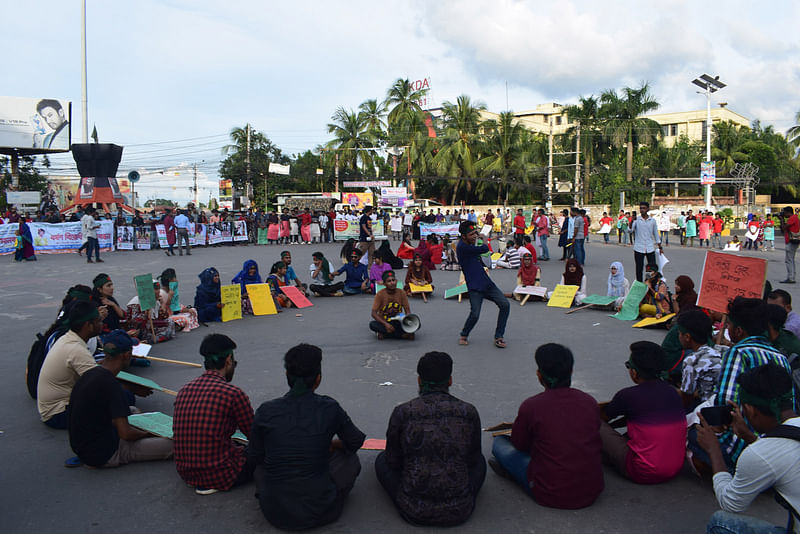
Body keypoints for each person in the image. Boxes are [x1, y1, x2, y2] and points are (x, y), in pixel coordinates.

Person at [250, 343, 365, 530]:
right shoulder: (329, 407)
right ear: (318, 378)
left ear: (287, 376)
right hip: (321, 509)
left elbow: (254, 455)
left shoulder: (266, 410)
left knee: (262, 467)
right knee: (350, 459)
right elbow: (355, 441)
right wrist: (334, 445)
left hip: (275, 511)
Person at [376, 351, 485, 525]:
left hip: (413, 509)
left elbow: (393, 461)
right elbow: (472, 459)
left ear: (419, 380)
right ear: (450, 380)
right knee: (480, 461)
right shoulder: (468, 411)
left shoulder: (403, 411)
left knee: (381, 460)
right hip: (459, 509)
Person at [490, 343, 603, 508]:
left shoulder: (532, 406)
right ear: (570, 372)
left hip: (550, 492)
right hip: (592, 489)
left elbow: (519, 444)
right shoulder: (589, 402)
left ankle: (517, 475)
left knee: (499, 443)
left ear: (539, 374)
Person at [697, 364, 800, 534]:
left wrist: (714, 450)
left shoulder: (760, 454)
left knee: (720, 522)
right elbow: (779, 455)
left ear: (751, 410)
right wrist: (750, 437)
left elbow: (730, 502)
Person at [691, 297, 793, 468]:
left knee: (693, 433)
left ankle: (722, 470)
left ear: (738, 331)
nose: (727, 328)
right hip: (778, 447)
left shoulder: (738, 352)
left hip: (742, 446)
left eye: (729, 325)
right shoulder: (781, 357)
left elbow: (725, 403)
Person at [68, 330, 173, 468]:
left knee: (133, 410)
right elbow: (126, 434)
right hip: (105, 453)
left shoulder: (91, 373)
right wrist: (147, 434)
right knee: (174, 444)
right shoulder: (112, 386)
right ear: (126, 355)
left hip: (84, 445)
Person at [174, 334, 255, 495]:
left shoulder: (184, 390)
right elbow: (255, 434)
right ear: (228, 361)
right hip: (220, 474)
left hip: (186, 473)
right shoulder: (233, 393)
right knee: (261, 453)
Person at [599, 341, 686, 484]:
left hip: (642, 471)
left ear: (634, 372)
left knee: (594, 423)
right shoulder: (672, 392)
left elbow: (603, 417)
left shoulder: (627, 395)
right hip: (675, 467)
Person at [37, 302, 103, 429]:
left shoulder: (69, 338)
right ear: (88, 325)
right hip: (57, 413)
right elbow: (100, 386)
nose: (102, 324)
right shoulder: (75, 349)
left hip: (58, 405)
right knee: (120, 400)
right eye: (98, 321)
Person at [457, 221, 510, 349]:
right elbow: (484, 249)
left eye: (475, 233)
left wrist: (477, 237)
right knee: (475, 314)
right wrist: (484, 239)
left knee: (505, 305)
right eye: (471, 234)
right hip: (475, 286)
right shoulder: (462, 247)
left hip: (486, 283)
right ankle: (464, 334)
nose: (475, 236)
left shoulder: (469, 243)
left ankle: (499, 336)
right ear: (463, 236)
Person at [678, 310, 723, 407]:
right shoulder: (721, 351)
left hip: (706, 409)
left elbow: (685, 399)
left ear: (687, 337)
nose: (679, 337)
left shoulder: (693, 360)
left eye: (680, 333)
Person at [370, 271, 413, 340]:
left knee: (416, 325)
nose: (392, 283)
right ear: (384, 284)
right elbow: (373, 313)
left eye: (393, 280)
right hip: (385, 322)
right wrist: (386, 324)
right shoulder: (379, 294)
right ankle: (400, 335)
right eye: (389, 281)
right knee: (372, 325)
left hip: (398, 321)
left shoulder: (402, 293)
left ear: (396, 281)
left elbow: (407, 311)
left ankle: (386, 334)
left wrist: (408, 323)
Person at [631, 202, 661, 282]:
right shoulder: (637, 220)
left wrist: (660, 246)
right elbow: (630, 230)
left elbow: (655, 234)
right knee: (639, 268)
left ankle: (650, 283)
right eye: (641, 208)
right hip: (638, 247)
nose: (642, 210)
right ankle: (639, 285)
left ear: (648, 209)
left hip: (650, 247)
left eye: (644, 208)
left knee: (652, 268)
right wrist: (632, 221)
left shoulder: (652, 221)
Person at [781, 206, 800, 284]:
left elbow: (784, 228)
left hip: (791, 241)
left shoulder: (792, 218)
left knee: (789, 260)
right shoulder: (795, 217)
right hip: (793, 240)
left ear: (788, 212)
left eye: (784, 212)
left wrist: (782, 220)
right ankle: (792, 276)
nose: (784, 214)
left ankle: (791, 277)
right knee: (791, 259)